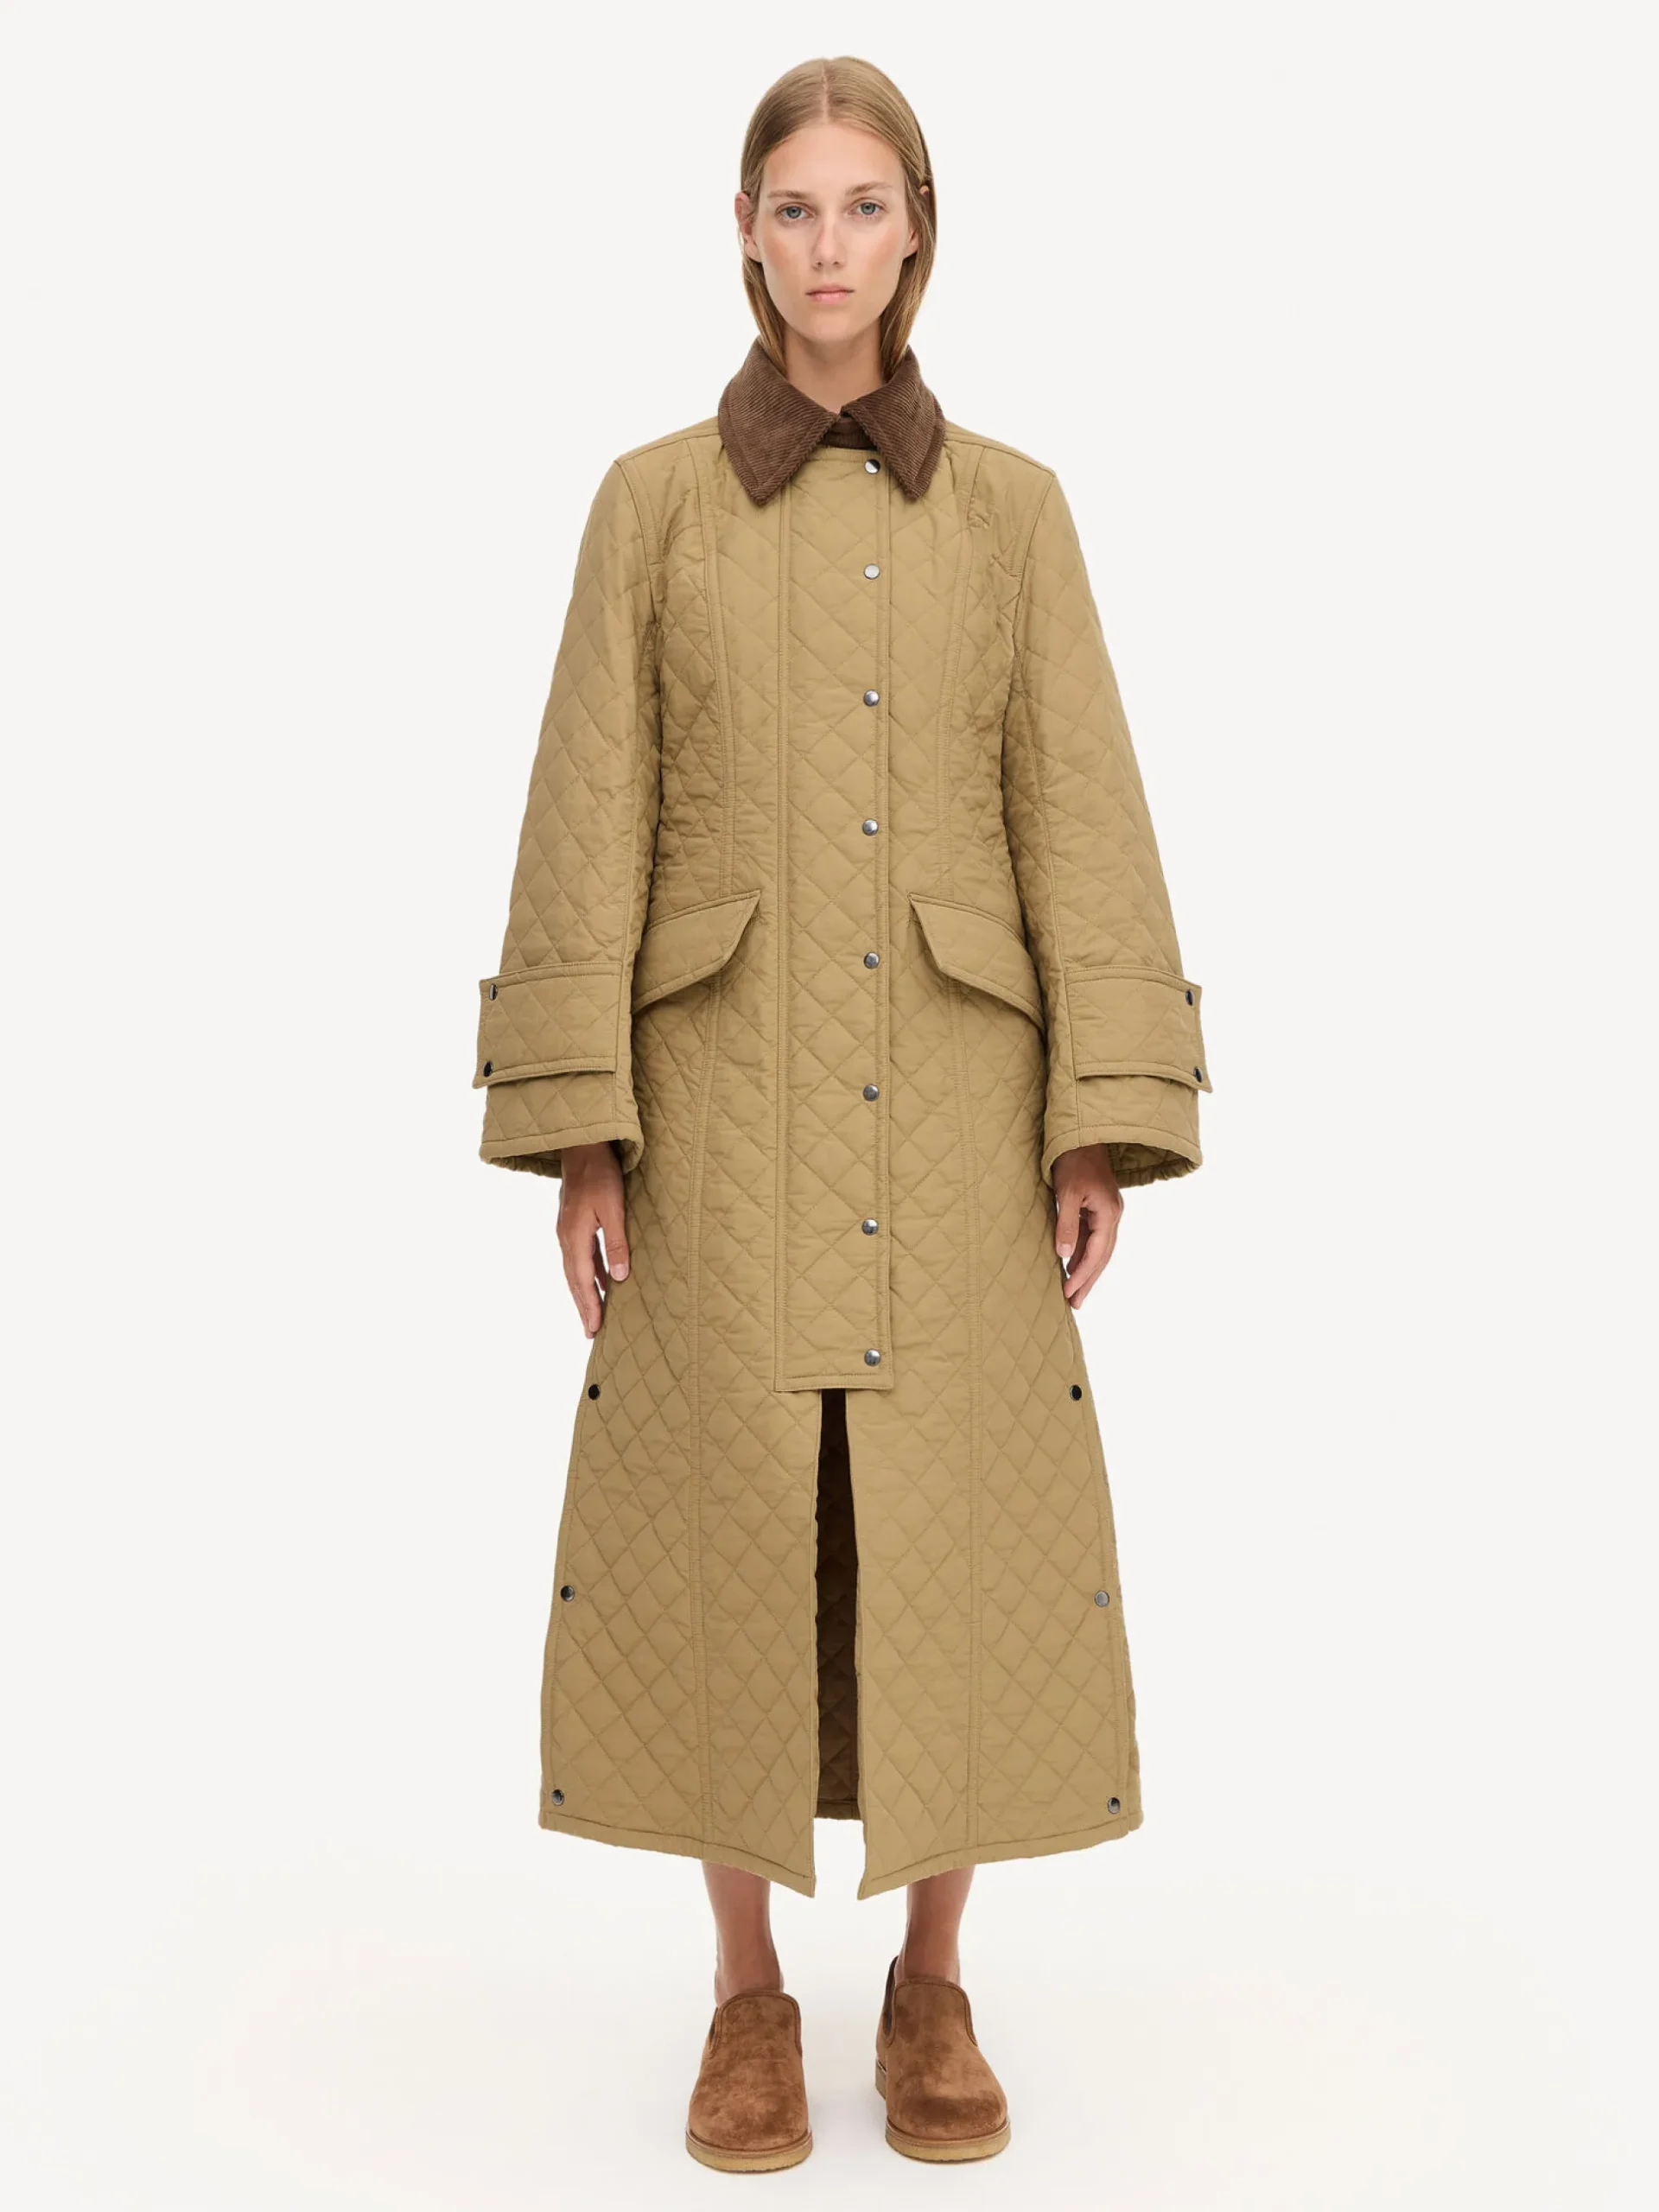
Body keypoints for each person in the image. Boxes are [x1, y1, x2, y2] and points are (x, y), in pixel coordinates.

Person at [472, 54, 1212, 2172]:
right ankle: (746, 1994)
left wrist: (1097, 1112)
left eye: (863, 206)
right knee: (727, 1531)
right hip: (711, 1099)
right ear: (744, 231)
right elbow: (587, 813)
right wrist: (584, 1129)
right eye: (792, 207)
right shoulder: (649, 505)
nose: (827, 246)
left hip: (964, 1103)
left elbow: (1081, 812)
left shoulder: (1015, 513)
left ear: (918, 231)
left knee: (951, 1532)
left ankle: (932, 1980)